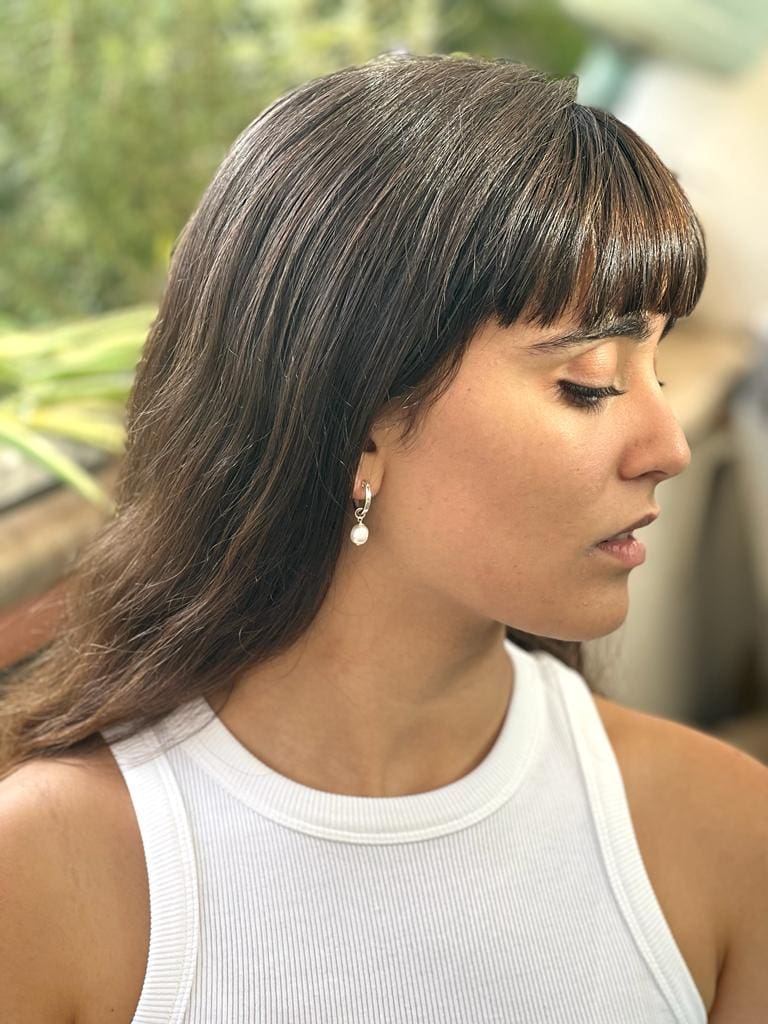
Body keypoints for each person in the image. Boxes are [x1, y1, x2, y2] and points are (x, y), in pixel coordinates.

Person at [0, 52, 766, 1024]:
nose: (669, 447)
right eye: (589, 384)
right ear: (357, 423)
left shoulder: (722, 838)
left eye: (659, 369)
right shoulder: (54, 878)